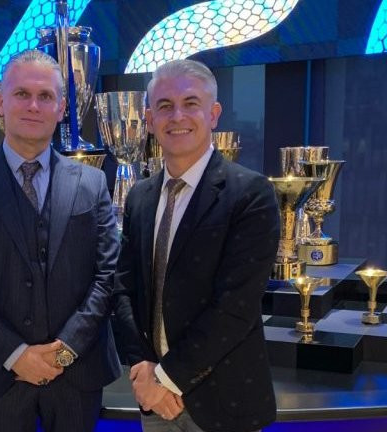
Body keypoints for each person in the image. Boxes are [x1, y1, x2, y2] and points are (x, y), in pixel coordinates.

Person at [0, 49, 120, 432]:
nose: (33, 105)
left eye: (45, 96)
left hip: (76, 373)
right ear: (1, 102)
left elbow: (107, 276)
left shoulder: (92, 182)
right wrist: (15, 354)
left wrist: (65, 351)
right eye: (22, 94)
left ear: (61, 107)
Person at [113, 59, 280, 432]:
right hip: (155, 401)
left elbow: (235, 307)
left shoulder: (250, 194)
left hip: (223, 403)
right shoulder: (139, 197)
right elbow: (123, 288)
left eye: (190, 103)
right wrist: (142, 368)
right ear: (150, 119)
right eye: (165, 106)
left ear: (214, 114)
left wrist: (165, 379)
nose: (177, 116)